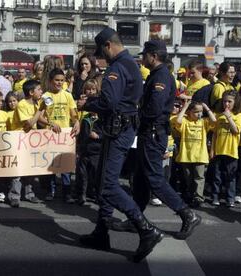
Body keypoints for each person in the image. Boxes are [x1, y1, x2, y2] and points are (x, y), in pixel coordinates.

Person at [77, 28, 163, 263]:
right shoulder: (131, 63)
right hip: (120, 129)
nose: (101, 58)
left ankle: (146, 229)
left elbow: (109, 101)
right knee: (104, 181)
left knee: (106, 185)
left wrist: (88, 104)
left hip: (118, 130)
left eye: (101, 52)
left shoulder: (118, 67)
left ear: (108, 45)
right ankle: (101, 232)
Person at [132, 40, 201, 240]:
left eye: (145, 54)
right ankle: (136, 217)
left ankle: (187, 213)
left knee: (154, 178)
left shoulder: (161, 75)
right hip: (151, 132)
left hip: (153, 132)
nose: (143, 57)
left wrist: (136, 116)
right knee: (141, 178)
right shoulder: (158, 74)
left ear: (153, 56)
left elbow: (154, 107)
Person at [37, 68, 80, 203]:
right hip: (50, 136)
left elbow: (73, 113)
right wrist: (50, 123)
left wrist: (77, 122)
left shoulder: (67, 95)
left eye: (62, 80)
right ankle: (51, 191)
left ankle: (67, 193)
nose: (59, 83)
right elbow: (40, 117)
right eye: (57, 80)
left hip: (65, 136)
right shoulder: (46, 96)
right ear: (51, 81)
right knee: (52, 165)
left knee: (66, 167)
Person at [6, 81, 43, 207]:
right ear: (31, 92)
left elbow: (39, 119)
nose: (41, 92)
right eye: (39, 89)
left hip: (31, 141)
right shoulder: (22, 104)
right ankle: (14, 196)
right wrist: (41, 110)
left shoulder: (35, 103)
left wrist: (50, 123)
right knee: (18, 170)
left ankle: (29, 194)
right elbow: (28, 124)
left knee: (30, 168)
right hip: (20, 140)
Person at [174, 100, 216, 206]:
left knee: (199, 177)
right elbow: (178, 122)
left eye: (201, 111)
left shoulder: (204, 122)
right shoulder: (185, 121)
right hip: (186, 155)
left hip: (200, 156)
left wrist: (207, 108)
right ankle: (191, 195)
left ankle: (198, 197)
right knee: (189, 178)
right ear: (189, 112)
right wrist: (185, 108)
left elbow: (214, 120)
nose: (199, 114)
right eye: (196, 111)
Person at [210, 90, 241, 207]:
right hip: (219, 150)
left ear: (235, 102)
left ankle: (230, 198)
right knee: (217, 176)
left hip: (231, 152)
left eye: (229, 101)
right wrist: (212, 150)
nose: (226, 104)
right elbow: (215, 134)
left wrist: (229, 117)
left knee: (230, 177)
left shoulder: (238, 116)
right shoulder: (219, 116)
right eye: (224, 101)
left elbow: (236, 130)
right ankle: (215, 197)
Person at [75, 79, 102, 205]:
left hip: (97, 151)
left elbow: (108, 133)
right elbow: (81, 136)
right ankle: (82, 195)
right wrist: (78, 148)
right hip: (85, 150)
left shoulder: (102, 119)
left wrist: (98, 136)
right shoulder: (85, 118)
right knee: (82, 174)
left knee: (96, 175)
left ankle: (97, 195)